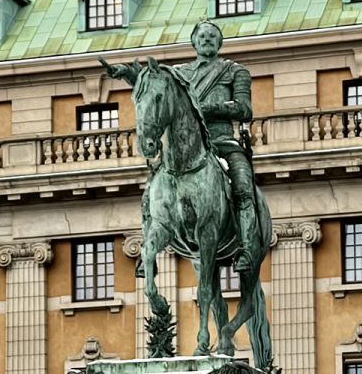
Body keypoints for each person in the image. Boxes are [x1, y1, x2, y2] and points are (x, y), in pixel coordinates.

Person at [102, 20, 258, 272]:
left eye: (212, 36)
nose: (207, 39)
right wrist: (128, 75)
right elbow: (155, 88)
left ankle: (247, 247)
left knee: (242, 185)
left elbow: (244, 109)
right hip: (184, 148)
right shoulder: (180, 73)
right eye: (202, 36)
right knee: (148, 194)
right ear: (194, 43)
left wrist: (206, 109)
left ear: (219, 43)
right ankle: (147, 251)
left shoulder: (234, 71)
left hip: (222, 142)